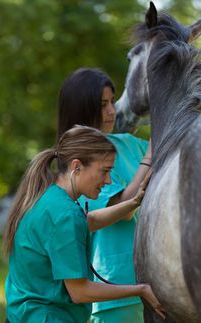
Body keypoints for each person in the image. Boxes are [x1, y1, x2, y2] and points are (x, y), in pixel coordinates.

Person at [3, 125, 165, 323]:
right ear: (76, 167)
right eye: (104, 171)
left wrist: (133, 202)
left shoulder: (48, 197)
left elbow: (90, 221)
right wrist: (141, 289)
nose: (107, 181)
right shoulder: (65, 214)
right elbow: (80, 292)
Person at [58, 68, 152, 322]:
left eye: (112, 101)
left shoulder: (128, 143)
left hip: (154, 277)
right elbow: (125, 208)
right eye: (102, 105)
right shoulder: (77, 162)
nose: (112, 111)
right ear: (81, 108)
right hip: (114, 283)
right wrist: (153, 152)